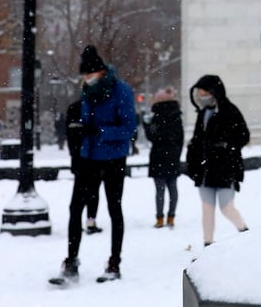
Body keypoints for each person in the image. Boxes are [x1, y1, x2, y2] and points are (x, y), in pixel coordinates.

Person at [52, 45, 136, 285]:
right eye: (84, 76)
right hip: (88, 157)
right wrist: (79, 133)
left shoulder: (121, 91)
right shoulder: (87, 92)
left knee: (113, 209)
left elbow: (129, 129)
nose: (86, 79)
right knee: (75, 208)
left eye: (90, 75)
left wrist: (99, 131)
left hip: (113, 159)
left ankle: (114, 262)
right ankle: (71, 261)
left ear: (101, 72)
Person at [185, 74, 250, 245]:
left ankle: (246, 234)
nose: (202, 96)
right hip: (205, 169)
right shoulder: (203, 113)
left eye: (204, 92)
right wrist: (192, 161)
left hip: (225, 168)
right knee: (207, 210)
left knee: (226, 207)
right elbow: (197, 140)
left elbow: (243, 135)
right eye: (200, 93)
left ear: (215, 92)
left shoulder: (230, 111)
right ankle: (208, 244)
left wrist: (226, 146)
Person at [144, 85, 184, 228]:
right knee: (172, 187)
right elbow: (180, 138)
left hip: (158, 156)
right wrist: (176, 153)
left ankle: (160, 218)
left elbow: (152, 136)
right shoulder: (177, 116)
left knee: (159, 189)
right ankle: (171, 216)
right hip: (172, 155)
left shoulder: (156, 117)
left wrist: (146, 125)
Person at [65, 97, 103, 234]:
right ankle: (90, 220)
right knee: (93, 191)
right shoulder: (97, 108)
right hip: (93, 157)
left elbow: (71, 135)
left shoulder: (75, 108)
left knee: (80, 192)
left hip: (81, 158)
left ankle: (77, 220)